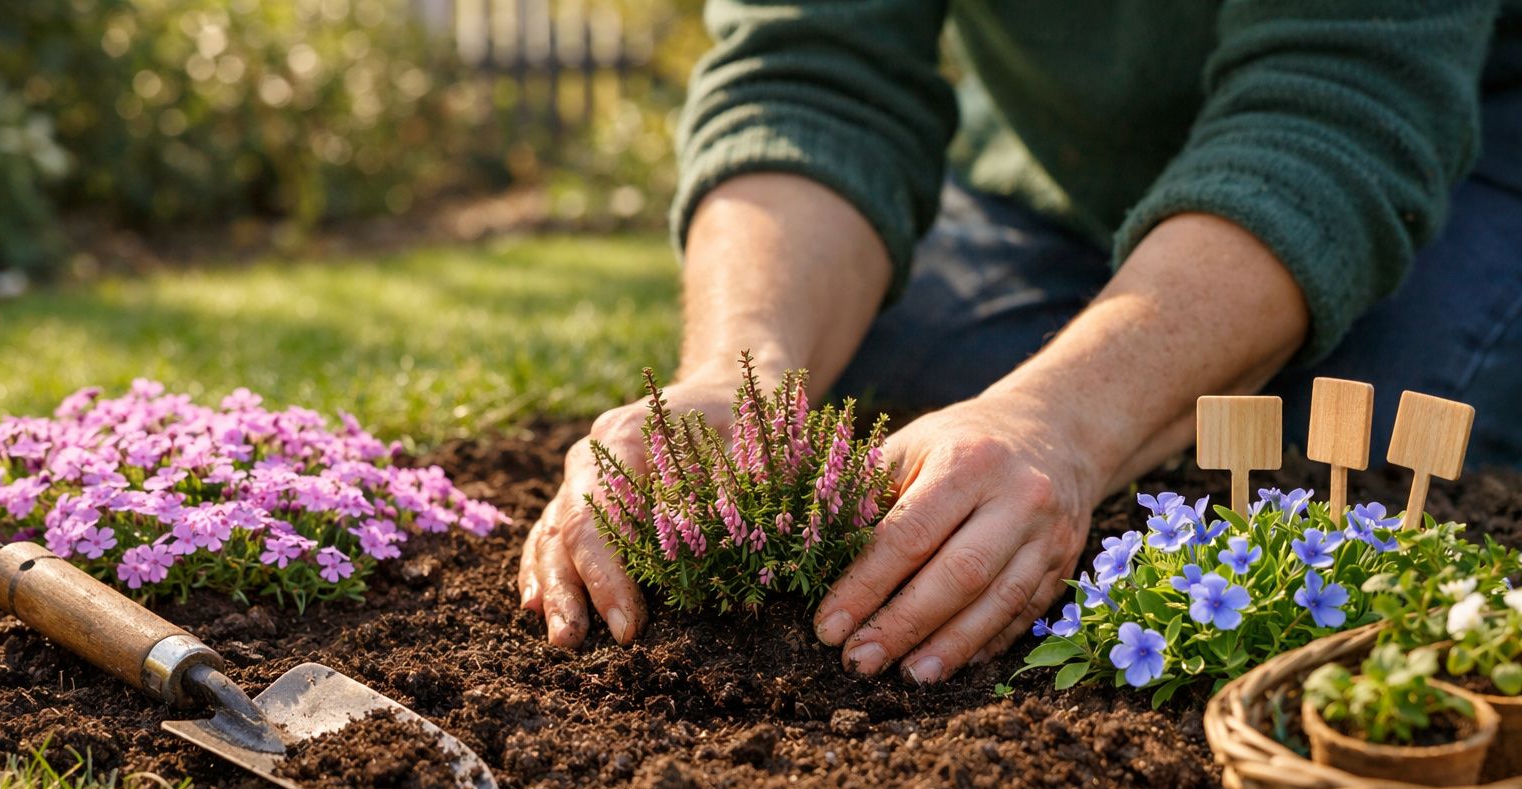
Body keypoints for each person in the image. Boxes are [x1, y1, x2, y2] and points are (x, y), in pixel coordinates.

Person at [521, 1, 1522, 684]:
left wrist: (1058, 419)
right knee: (895, 390)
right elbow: (812, 78)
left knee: (1359, 459)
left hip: (1459, 160)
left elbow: (1341, 104)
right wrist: (741, 378)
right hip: (1058, 180)